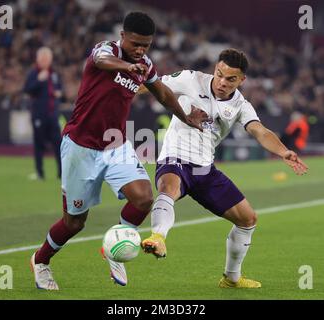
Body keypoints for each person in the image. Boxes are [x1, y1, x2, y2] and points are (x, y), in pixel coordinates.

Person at [30, 12, 206, 290]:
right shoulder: (105, 51)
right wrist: (125, 65)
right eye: (135, 43)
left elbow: (163, 94)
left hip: (115, 145)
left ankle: (117, 247)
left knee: (144, 198)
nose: (140, 50)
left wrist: (186, 117)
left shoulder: (145, 65)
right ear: (122, 36)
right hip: (80, 147)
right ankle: (41, 261)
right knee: (74, 223)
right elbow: (102, 61)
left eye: (145, 45)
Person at [141, 49, 308, 288]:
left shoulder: (241, 105)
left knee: (248, 219)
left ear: (242, 80)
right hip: (175, 158)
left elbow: (259, 130)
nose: (221, 82)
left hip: (205, 170)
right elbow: (152, 84)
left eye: (230, 79)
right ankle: (158, 237)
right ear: (215, 69)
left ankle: (231, 278)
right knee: (169, 188)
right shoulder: (190, 79)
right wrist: (122, 90)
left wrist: (283, 151)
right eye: (219, 74)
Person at [24, 47, 63, 180]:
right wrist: (39, 80)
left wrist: (59, 93)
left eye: (47, 58)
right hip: (39, 114)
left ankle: (61, 173)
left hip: (53, 114)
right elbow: (27, 90)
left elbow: (59, 88)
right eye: (43, 58)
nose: (45, 61)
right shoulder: (34, 73)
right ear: (38, 59)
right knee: (38, 144)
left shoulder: (55, 73)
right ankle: (40, 173)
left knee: (58, 144)